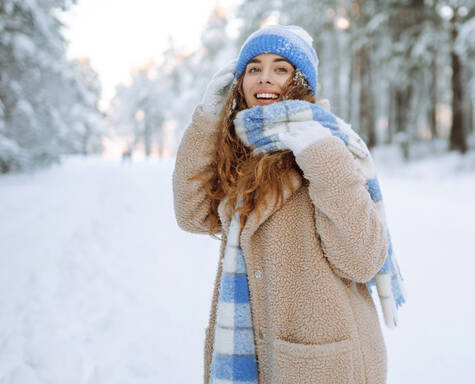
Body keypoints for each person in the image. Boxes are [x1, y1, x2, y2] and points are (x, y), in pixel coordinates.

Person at [173, 25, 404, 384]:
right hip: (259, 359)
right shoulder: (240, 153)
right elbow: (191, 214)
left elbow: (362, 259)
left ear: (301, 82)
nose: (265, 79)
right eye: (254, 69)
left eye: (280, 69)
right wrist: (207, 117)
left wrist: (320, 153)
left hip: (324, 364)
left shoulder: (330, 145)